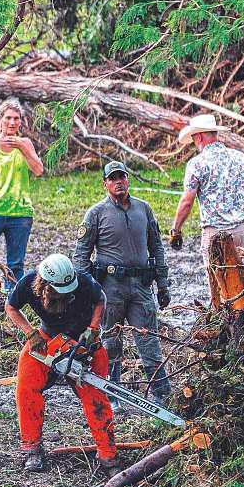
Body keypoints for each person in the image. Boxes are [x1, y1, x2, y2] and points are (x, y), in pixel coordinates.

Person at [5, 253, 119, 476]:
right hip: (46, 339)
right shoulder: (28, 283)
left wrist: (93, 328)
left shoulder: (84, 282)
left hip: (82, 341)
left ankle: (107, 454)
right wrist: (30, 334)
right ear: (44, 284)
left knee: (96, 394)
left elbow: (100, 300)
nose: (63, 297)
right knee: (26, 388)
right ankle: (32, 449)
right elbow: (11, 307)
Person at [73, 161, 172, 410]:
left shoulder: (144, 209)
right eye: (113, 178)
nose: (119, 182)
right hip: (111, 288)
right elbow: (81, 254)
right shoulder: (95, 214)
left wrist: (162, 284)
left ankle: (162, 394)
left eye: (122, 177)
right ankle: (113, 395)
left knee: (149, 341)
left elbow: (157, 247)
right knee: (111, 342)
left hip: (141, 287)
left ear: (128, 180)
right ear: (105, 183)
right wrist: (85, 291)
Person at [169, 114, 244, 291]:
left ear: (199, 136)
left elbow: (187, 202)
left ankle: (222, 316)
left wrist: (176, 230)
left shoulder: (196, 164)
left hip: (215, 233)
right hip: (243, 229)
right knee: (237, 275)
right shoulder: (241, 158)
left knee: (217, 283)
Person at [0, 98, 45, 289]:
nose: (12, 122)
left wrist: (21, 147)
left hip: (20, 213)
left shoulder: (26, 143)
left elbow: (38, 170)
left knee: (15, 264)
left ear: (21, 121)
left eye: (16, 118)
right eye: (8, 118)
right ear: (0, 120)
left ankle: (11, 303)